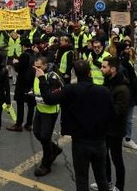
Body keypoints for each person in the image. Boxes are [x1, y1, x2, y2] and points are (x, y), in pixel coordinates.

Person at [37, 59, 114, 191]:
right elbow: (112, 114)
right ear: (90, 73)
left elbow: (49, 99)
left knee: (82, 177)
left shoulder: (70, 90)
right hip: (99, 140)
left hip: (80, 141)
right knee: (101, 177)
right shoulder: (103, 91)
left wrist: (42, 80)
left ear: (75, 73)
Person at [98, 56, 129, 191]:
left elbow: (118, 112)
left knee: (117, 159)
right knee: (104, 157)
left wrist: (102, 106)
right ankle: (107, 182)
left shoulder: (122, 89)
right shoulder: (108, 82)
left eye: (104, 67)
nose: (101, 69)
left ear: (113, 69)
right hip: (105, 128)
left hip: (115, 130)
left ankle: (119, 186)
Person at [31, 56, 63, 177]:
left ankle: (46, 165)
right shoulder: (38, 74)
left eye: (39, 67)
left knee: (45, 137)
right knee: (36, 132)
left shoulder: (52, 77)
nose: (36, 69)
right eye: (35, 67)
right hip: (39, 109)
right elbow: (37, 88)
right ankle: (54, 149)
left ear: (45, 65)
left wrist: (44, 94)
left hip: (50, 112)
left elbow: (53, 98)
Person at [8, 39, 35, 132]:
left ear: (23, 46)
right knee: (31, 104)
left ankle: (18, 124)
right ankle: (29, 124)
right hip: (32, 82)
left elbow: (20, 69)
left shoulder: (24, 55)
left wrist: (16, 63)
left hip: (23, 82)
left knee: (20, 103)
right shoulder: (34, 54)